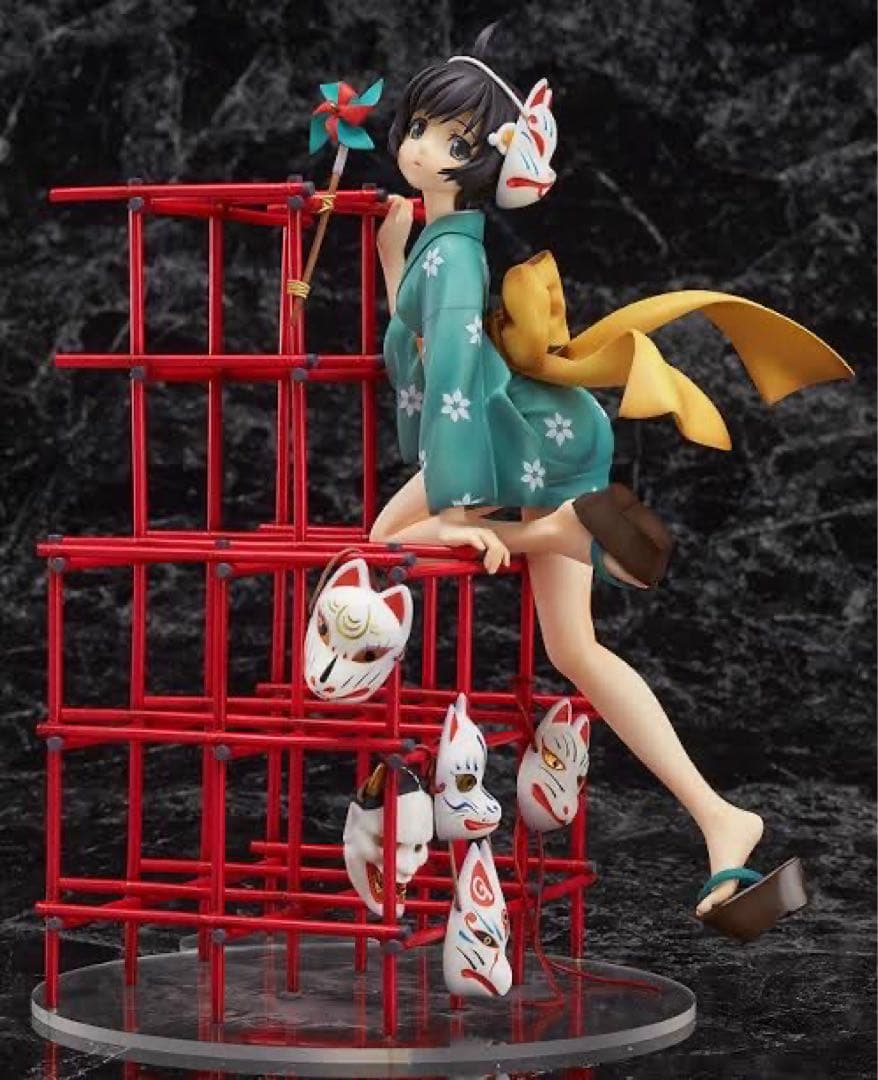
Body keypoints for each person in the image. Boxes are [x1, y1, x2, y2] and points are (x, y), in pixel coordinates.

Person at [369, 24, 845, 937]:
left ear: (481, 164)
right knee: (576, 650)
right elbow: (423, 339)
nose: (421, 149)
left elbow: (455, 380)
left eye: (451, 141)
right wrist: (396, 255)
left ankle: (551, 531)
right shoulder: (444, 242)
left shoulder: (459, 254)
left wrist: (463, 509)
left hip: (513, 437)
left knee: (382, 549)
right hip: (547, 438)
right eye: (418, 128)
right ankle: (722, 819)